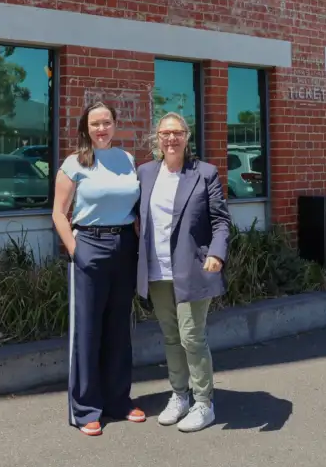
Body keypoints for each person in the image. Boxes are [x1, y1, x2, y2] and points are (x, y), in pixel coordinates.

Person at [52, 102, 146, 436]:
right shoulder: (74, 162)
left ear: (115, 125)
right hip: (90, 246)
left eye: (106, 122)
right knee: (88, 330)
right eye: (95, 124)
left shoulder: (127, 159)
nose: (102, 129)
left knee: (119, 327)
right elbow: (58, 213)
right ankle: (85, 408)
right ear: (86, 128)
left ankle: (119, 400)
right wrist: (76, 251)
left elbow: (133, 204)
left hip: (124, 248)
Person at [136, 112, 231, 433]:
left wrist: (217, 252)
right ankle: (180, 396)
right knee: (171, 337)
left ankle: (204, 403)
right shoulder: (146, 173)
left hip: (192, 269)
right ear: (157, 139)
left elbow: (220, 221)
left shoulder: (205, 173)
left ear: (187, 137)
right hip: (157, 269)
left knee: (192, 336)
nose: (171, 139)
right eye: (165, 133)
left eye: (177, 133)